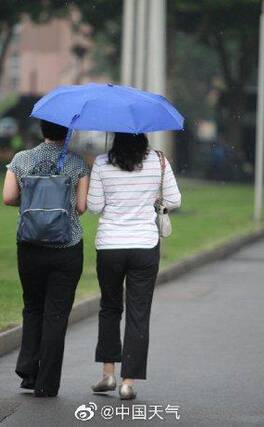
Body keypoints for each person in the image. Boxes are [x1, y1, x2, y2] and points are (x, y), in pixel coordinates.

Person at [87, 133, 181, 400]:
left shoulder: (103, 162)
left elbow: (94, 206)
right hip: (144, 245)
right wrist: (152, 202)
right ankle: (128, 382)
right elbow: (174, 200)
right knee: (138, 313)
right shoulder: (158, 161)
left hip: (110, 246)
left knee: (109, 307)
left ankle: (107, 374)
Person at [2, 119, 90, 397]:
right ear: (68, 133)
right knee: (56, 315)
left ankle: (28, 369)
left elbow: (7, 198)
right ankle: (47, 383)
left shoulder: (22, 159)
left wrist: (31, 200)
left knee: (32, 307)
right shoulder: (77, 163)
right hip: (67, 247)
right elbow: (81, 207)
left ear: (42, 130)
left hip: (29, 245)